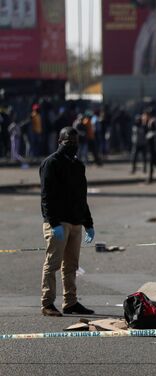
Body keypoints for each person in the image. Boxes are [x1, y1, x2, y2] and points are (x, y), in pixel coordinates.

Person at [39, 127, 95, 317]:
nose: (72, 146)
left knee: (71, 266)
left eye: (75, 142)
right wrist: (53, 223)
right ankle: (47, 303)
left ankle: (70, 302)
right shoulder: (51, 163)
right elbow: (46, 197)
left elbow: (82, 197)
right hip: (58, 223)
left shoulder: (78, 165)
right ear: (59, 142)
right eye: (68, 142)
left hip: (75, 222)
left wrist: (88, 223)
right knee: (52, 264)